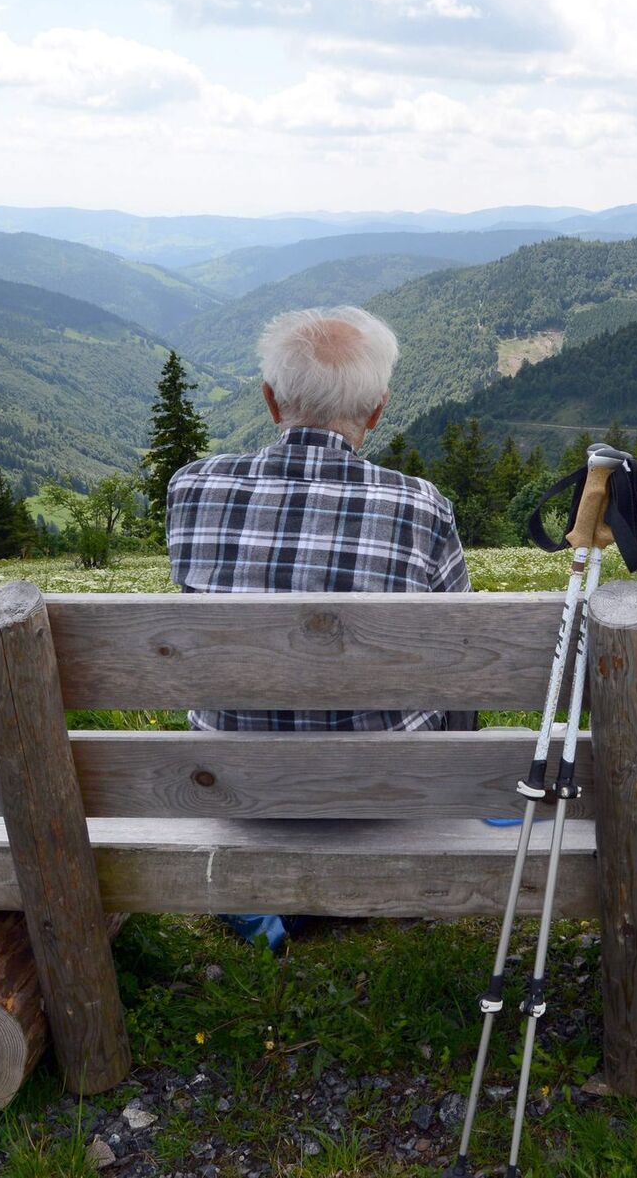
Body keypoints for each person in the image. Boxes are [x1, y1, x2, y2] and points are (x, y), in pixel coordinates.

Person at [166, 305, 470, 946]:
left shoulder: (191, 488)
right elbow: (459, 655)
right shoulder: (421, 506)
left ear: (270, 400)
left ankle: (273, 903)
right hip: (377, 790)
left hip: (232, 785)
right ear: (377, 411)